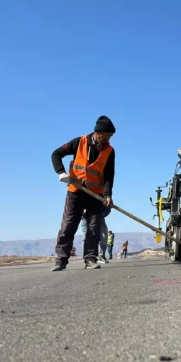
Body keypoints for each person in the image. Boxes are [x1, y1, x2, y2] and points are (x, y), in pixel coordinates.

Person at [50, 116, 116, 271]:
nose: (108, 139)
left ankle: (90, 259)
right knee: (68, 226)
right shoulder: (79, 142)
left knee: (94, 227)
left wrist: (107, 195)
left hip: (95, 195)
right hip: (76, 192)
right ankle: (61, 260)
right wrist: (61, 173)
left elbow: (109, 176)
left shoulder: (109, 151)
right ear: (97, 133)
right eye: (106, 135)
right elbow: (56, 154)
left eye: (110, 136)